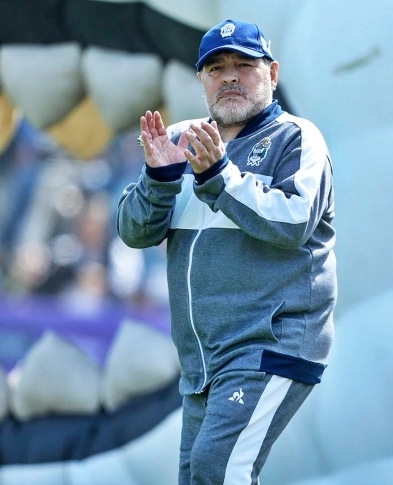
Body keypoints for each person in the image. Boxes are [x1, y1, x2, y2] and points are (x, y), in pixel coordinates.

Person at [116, 19, 337, 485]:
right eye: (216, 68)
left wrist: (220, 177)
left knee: (218, 470)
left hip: (271, 344)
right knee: (200, 476)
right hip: (204, 359)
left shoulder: (297, 137)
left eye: (244, 65)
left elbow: (294, 222)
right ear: (201, 80)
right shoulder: (182, 138)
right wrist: (158, 180)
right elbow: (134, 232)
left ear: (271, 73)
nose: (230, 77)